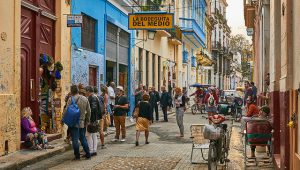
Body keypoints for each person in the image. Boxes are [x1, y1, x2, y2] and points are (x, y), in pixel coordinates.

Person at [64, 85, 91, 160]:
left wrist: (63, 119)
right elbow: (89, 111)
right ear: (78, 90)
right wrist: (87, 121)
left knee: (75, 140)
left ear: (72, 91)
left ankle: (77, 156)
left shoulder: (70, 99)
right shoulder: (85, 99)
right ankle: (88, 154)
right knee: (83, 139)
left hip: (73, 123)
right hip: (82, 122)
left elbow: (66, 110)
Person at [85, 86, 101, 156]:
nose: (85, 93)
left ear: (88, 91)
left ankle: (91, 150)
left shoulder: (93, 97)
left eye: (86, 91)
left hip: (92, 119)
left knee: (88, 135)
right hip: (95, 118)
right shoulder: (94, 97)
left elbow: (93, 109)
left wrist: (90, 119)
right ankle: (94, 150)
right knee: (94, 134)